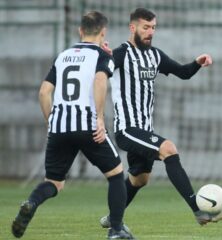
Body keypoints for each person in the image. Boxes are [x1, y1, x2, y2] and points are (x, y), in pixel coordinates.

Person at [99, 8, 222, 229]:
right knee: (168, 148)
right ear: (133, 28)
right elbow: (101, 74)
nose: (150, 32)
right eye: (145, 27)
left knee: (140, 179)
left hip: (144, 130)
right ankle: (199, 211)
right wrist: (102, 56)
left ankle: (113, 217)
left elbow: (182, 72)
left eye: (153, 28)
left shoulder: (155, 55)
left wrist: (197, 62)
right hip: (127, 129)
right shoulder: (121, 54)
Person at [11, 11, 134, 239]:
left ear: (80, 31)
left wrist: (52, 121)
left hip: (59, 127)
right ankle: (116, 229)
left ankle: (31, 202)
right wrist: (98, 118)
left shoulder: (64, 55)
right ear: (103, 31)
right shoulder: (101, 56)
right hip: (88, 125)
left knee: (54, 183)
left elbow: (44, 92)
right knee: (116, 174)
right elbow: (99, 80)